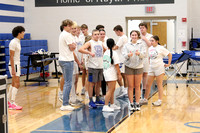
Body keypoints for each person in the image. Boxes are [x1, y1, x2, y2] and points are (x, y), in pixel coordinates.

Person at [140, 35, 172, 106]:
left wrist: (168, 64)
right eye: (150, 40)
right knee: (148, 85)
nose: (151, 42)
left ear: (157, 41)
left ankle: (160, 100)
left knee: (159, 84)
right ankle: (145, 99)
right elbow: (149, 58)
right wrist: (149, 64)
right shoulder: (149, 48)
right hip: (151, 68)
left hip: (159, 68)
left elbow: (169, 55)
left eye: (152, 41)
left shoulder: (161, 48)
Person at [79, 29, 106, 108]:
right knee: (91, 84)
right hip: (92, 66)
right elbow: (80, 49)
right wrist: (89, 52)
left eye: (98, 34)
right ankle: (91, 100)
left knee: (98, 83)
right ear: (92, 35)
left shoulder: (101, 43)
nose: (97, 36)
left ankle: (97, 99)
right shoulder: (90, 42)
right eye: (95, 34)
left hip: (100, 66)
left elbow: (105, 50)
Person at [123, 30, 146, 111]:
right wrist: (128, 55)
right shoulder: (126, 45)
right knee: (130, 86)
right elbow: (124, 55)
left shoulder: (141, 45)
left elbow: (144, 54)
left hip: (139, 67)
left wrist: (139, 54)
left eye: (135, 35)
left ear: (138, 36)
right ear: (130, 36)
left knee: (137, 86)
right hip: (129, 67)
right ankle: (131, 103)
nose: (134, 36)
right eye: (132, 35)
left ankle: (137, 102)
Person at [58, 19, 76, 111]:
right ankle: (65, 103)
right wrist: (74, 44)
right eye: (70, 26)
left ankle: (65, 102)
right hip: (67, 60)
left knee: (67, 82)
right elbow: (72, 47)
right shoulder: (67, 35)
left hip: (62, 59)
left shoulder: (62, 34)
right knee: (68, 82)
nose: (71, 28)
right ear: (65, 26)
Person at [8, 26, 25, 110]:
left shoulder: (18, 42)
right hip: (14, 65)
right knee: (17, 84)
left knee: (13, 83)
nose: (24, 34)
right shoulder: (13, 42)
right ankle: (12, 102)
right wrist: (13, 69)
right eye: (23, 32)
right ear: (19, 33)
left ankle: (8, 101)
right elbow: (11, 56)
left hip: (16, 64)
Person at [102, 38, 122, 112]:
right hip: (111, 73)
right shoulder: (114, 53)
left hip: (106, 72)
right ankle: (106, 105)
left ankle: (112, 104)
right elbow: (117, 65)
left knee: (112, 89)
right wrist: (119, 74)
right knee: (110, 90)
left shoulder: (106, 52)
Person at [113, 25, 128, 98]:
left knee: (122, 74)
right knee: (122, 74)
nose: (116, 34)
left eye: (116, 32)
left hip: (121, 59)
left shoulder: (122, 38)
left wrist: (108, 50)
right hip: (122, 58)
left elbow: (116, 47)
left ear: (118, 31)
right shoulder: (124, 37)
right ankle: (124, 89)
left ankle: (124, 90)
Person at [139, 22, 153, 95]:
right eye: (140, 28)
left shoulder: (150, 36)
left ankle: (144, 88)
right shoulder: (138, 36)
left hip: (146, 57)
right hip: (139, 57)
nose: (141, 29)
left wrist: (144, 39)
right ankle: (139, 87)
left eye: (143, 28)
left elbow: (151, 45)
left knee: (145, 73)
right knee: (139, 74)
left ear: (146, 28)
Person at [80, 24, 91, 95]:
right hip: (84, 57)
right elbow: (81, 49)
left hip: (89, 57)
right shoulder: (81, 37)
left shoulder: (90, 36)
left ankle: (89, 89)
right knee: (84, 73)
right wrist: (82, 58)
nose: (83, 31)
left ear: (87, 29)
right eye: (82, 30)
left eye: (84, 29)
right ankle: (84, 88)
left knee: (88, 74)